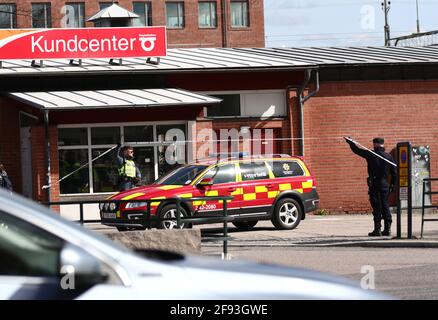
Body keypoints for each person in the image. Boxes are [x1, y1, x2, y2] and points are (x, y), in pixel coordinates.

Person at [344, 137, 397, 237]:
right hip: (385, 185)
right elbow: (394, 173)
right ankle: (387, 229)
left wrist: (350, 142)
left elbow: (357, 150)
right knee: (385, 206)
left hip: (375, 184)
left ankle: (377, 230)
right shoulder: (389, 157)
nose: (372, 145)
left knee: (377, 206)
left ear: (376, 144)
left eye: (373, 144)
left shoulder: (371, 154)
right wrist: (392, 185)